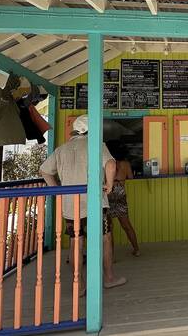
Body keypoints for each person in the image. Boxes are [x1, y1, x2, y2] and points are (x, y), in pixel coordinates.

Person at [39, 115, 127, 289]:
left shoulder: (61, 149)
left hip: (71, 204)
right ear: (91, 130)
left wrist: (58, 191)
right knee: (105, 237)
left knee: (75, 242)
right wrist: (109, 185)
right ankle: (109, 278)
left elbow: (44, 170)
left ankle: (78, 285)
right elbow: (110, 164)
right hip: (94, 202)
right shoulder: (97, 145)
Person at [106, 140, 141, 257]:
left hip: (108, 193)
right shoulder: (126, 164)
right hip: (120, 193)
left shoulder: (106, 162)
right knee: (126, 225)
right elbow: (130, 177)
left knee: (108, 228)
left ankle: (111, 256)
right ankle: (136, 249)